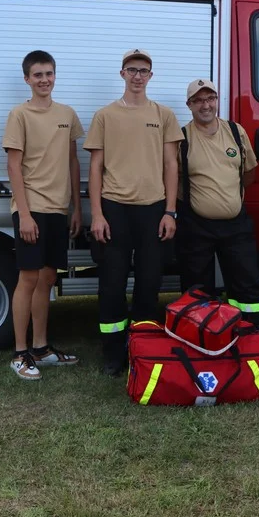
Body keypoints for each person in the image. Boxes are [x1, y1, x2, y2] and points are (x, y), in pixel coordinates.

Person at [85, 49, 184, 376]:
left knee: (148, 283)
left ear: (151, 76)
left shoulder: (164, 115)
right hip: (114, 210)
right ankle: (113, 353)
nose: (138, 76)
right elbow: (95, 167)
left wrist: (170, 211)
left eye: (143, 71)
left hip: (153, 211)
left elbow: (171, 165)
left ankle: (142, 348)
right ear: (122, 74)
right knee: (112, 285)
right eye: (132, 70)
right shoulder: (105, 116)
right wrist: (97, 214)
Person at [1, 50, 84, 380]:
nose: (44, 80)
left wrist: (75, 207)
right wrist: (24, 214)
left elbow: (73, 161)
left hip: (58, 209)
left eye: (49, 73)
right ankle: (20, 353)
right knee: (29, 278)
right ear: (27, 79)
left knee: (48, 278)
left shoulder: (67, 114)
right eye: (38, 75)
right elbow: (13, 165)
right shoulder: (19, 114)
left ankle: (41, 348)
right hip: (31, 208)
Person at [176, 78, 259, 324]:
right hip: (196, 227)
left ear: (217, 100)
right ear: (189, 105)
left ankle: (251, 333)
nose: (205, 105)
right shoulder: (181, 137)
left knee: (246, 284)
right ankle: (201, 337)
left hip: (236, 225)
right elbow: (174, 181)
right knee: (196, 289)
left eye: (210, 99)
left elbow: (249, 173)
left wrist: (226, 198)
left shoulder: (236, 132)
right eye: (198, 100)